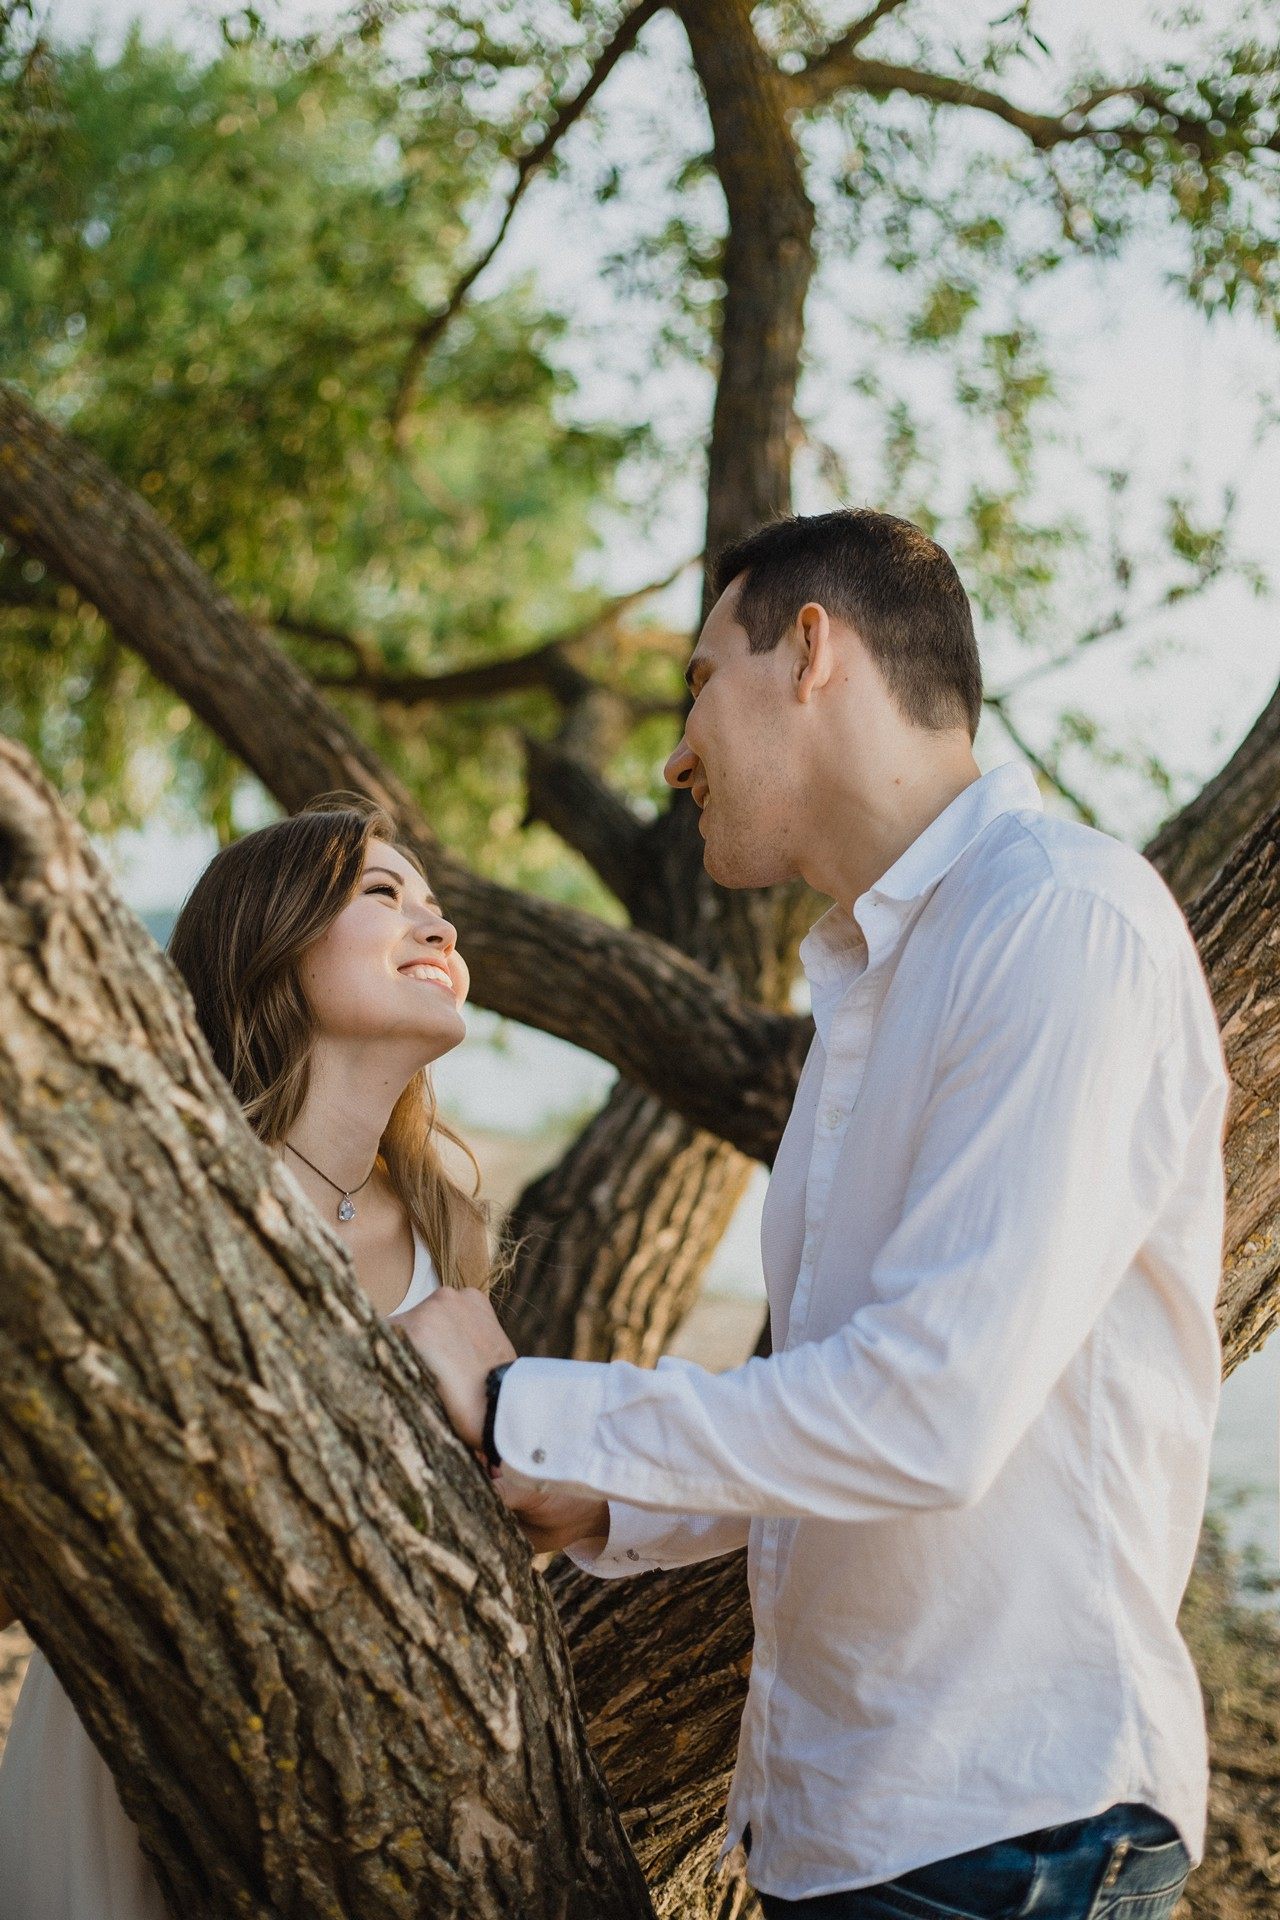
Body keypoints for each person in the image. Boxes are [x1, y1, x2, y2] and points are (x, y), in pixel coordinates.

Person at [403, 509, 1230, 1919]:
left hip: (1004, 1829)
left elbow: (929, 1416)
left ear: (809, 653)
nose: (671, 756)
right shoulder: (875, 976)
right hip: (864, 1828)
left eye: (694, 683)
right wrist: (607, 1495)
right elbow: (826, 1407)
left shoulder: (1060, 923)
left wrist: (530, 1407)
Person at [0, 796, 488, 1920]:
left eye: (435, 901)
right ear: (270, 939)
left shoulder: (445, 1225)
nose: (438, 924)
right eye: (383, 893)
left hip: (356, 1793)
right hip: (137, 1749)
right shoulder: (166, 1202)